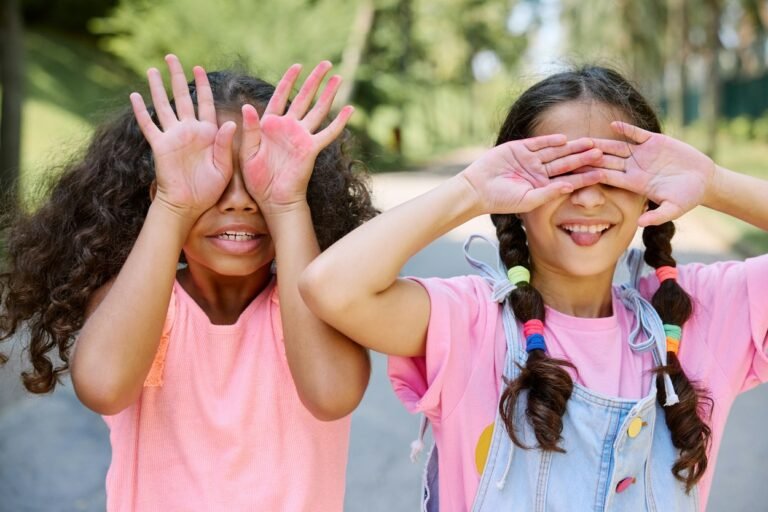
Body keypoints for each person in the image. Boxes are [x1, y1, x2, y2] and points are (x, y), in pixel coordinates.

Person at [300, 66, 768, 511]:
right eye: (561, 171)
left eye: (614, 171)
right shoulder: (474, 322)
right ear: (515, 193)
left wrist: (713, 183)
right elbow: (331, 286)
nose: (587, 196)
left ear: (652, 189)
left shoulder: (696, 316)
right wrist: (471, 188)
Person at [0, 54, 376, 510]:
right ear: (153, 189)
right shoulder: (147, 306)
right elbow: (103, 387)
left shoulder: (316, 305)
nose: (239, 201)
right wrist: (175, 205)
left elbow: (332, 396)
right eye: (213, 177)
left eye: (259, 178)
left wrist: (286, 203)